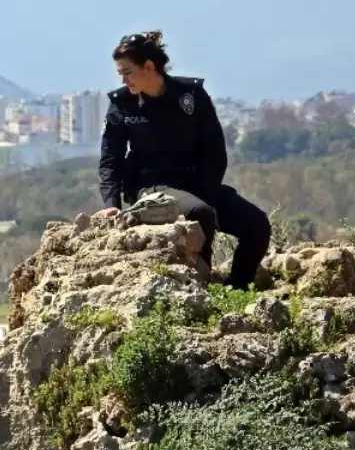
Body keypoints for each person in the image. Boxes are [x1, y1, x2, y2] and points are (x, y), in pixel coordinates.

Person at [97, 31, 271, 291]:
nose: (123, 79)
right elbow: (111, 159)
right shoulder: (122, 105)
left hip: (195, 183)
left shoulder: (190, 96)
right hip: (151, 187)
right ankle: (201, 291)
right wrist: (112, 203)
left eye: (127, 72)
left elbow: (215, 151)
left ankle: (238, 289)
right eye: (120, 73)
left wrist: (206, 192)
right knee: (200, 213)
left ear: (148, 67)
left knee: (256, 225)